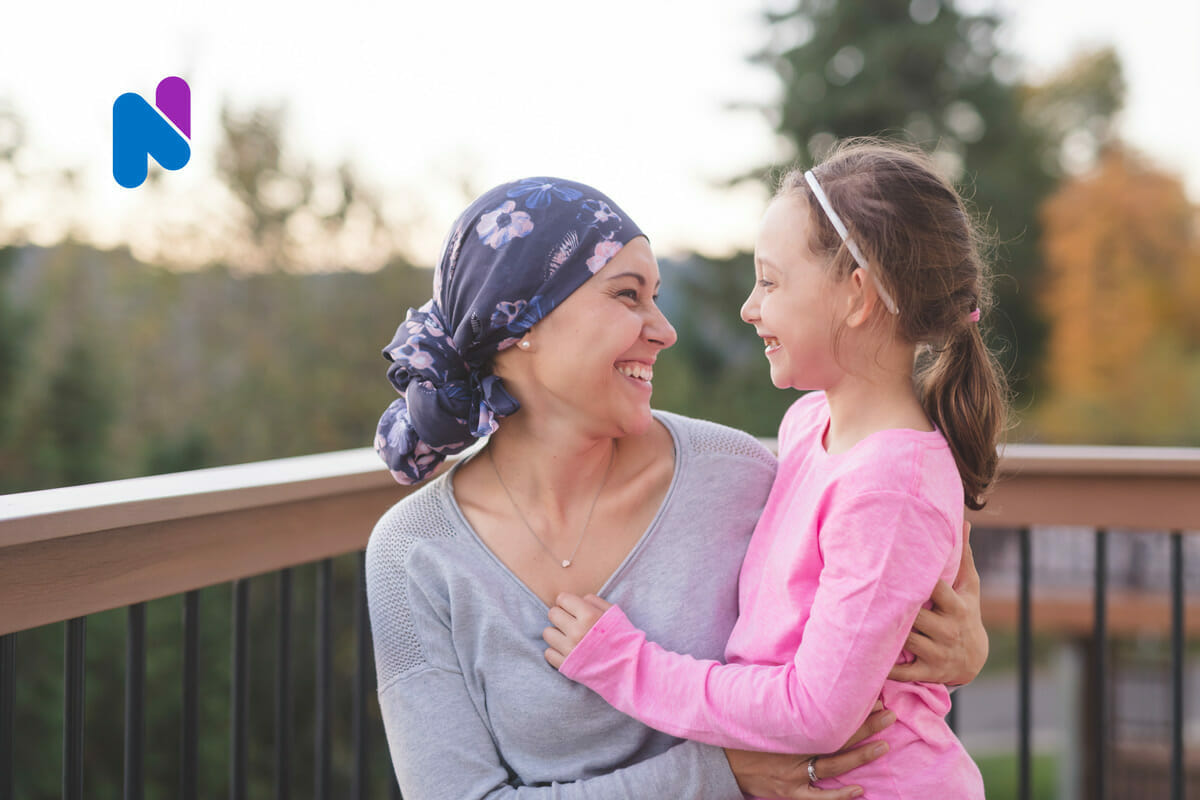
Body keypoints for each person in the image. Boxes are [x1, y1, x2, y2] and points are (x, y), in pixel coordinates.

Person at [365, 175, 989, 800]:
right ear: (522, 321)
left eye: (657, 296)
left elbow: (854, 627)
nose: (665, 330)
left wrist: (960, 653)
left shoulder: (740, 473)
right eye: (628, 295)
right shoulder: (412, 554)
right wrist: (718, 773)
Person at [544, 142, 1006, 799]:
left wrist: (627, 665)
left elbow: (816, 709)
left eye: (770, 280)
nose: (749, 307)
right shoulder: (808, 426)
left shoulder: (889, 486)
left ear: (857, 295)